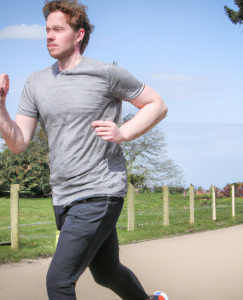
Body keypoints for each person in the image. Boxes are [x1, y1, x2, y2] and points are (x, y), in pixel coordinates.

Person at [0, 1, 169, 299]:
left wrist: (123, 132)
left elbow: (157, 104)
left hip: (100, 189)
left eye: (57, 29)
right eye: (47, 30)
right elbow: (18, 142)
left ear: (78, 35)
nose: (49, 36)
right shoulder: (35, 82)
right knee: (107, 272)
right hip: (64, 195)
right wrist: (0, 107)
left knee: (59, 280)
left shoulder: (106, 73)